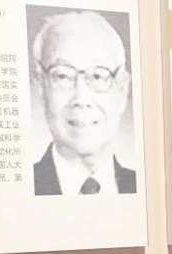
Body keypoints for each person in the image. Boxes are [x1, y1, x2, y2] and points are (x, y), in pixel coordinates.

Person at [31, 10, 136, 195]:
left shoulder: (140, 184)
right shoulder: (22, 185)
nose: (81, 98)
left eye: (97, 76)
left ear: (122, 90)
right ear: (41, 87)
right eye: (63, 76)